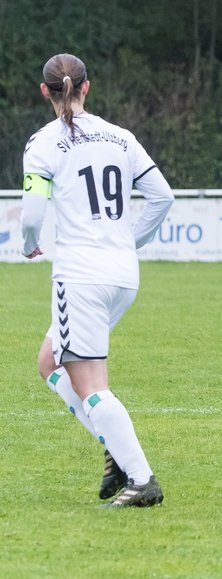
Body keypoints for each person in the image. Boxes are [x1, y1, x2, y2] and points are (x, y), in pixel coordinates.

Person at [21, 53, 175, 507]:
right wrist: (131, 238)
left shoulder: (44, 142)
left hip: (81, 276)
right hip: (123, 275)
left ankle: (141, 478)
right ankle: (116, 450)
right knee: (49, 361)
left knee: (90, 385)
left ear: (45, 91)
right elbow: (162, 197)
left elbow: (32, 211)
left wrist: (29, 242)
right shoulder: (121, 137)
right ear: (87, 87)